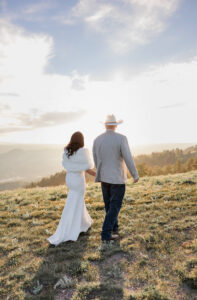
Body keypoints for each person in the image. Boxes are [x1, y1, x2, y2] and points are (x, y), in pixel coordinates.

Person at [93, 114, 139, 243]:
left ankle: (114, 228)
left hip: (104, 177)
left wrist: (100, 173)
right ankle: (106, 234)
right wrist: (135, 174)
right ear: (115, 126)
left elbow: (96, 159)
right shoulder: (121, 138)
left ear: (105, 125)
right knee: (115, 206)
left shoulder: (97, 139)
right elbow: (128, 157)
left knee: (109, 205)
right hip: (117, 178)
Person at [47, 131, 96, 246]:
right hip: (78, 180)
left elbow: (68, 165)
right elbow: (87, 168)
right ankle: (72, 228)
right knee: (77, 202)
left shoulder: (67, 150)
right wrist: (97, 175)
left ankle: (83, 223)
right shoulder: (83, 151)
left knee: (76, 201)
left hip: (70, 178)